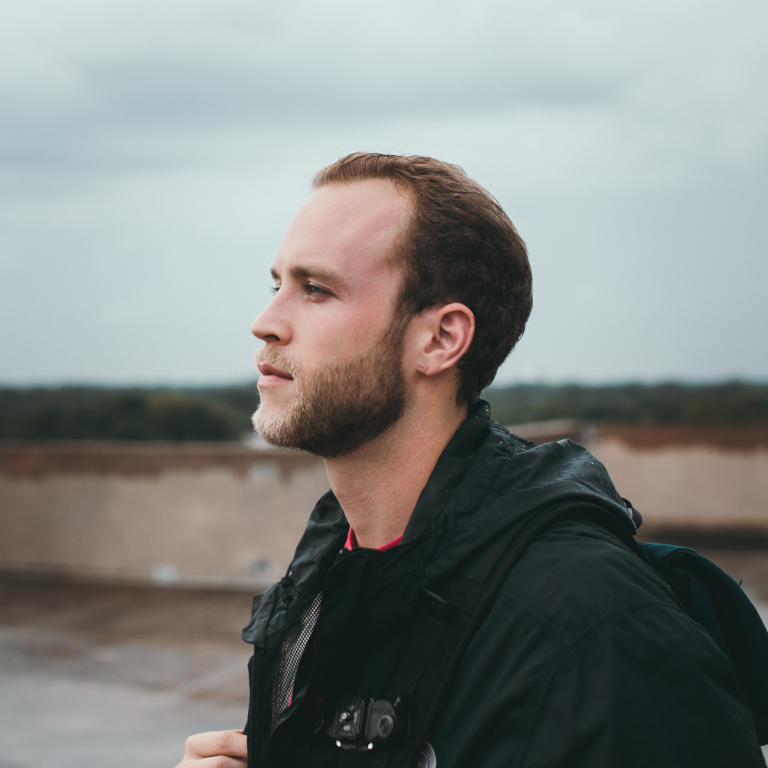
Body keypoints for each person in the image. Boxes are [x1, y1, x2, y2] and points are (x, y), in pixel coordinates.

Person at [177, 153, 765, 767]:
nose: (265, 322)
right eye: (276, 285)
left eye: (316, 289)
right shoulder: (324, 579)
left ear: (441, 339)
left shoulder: (599, 629)